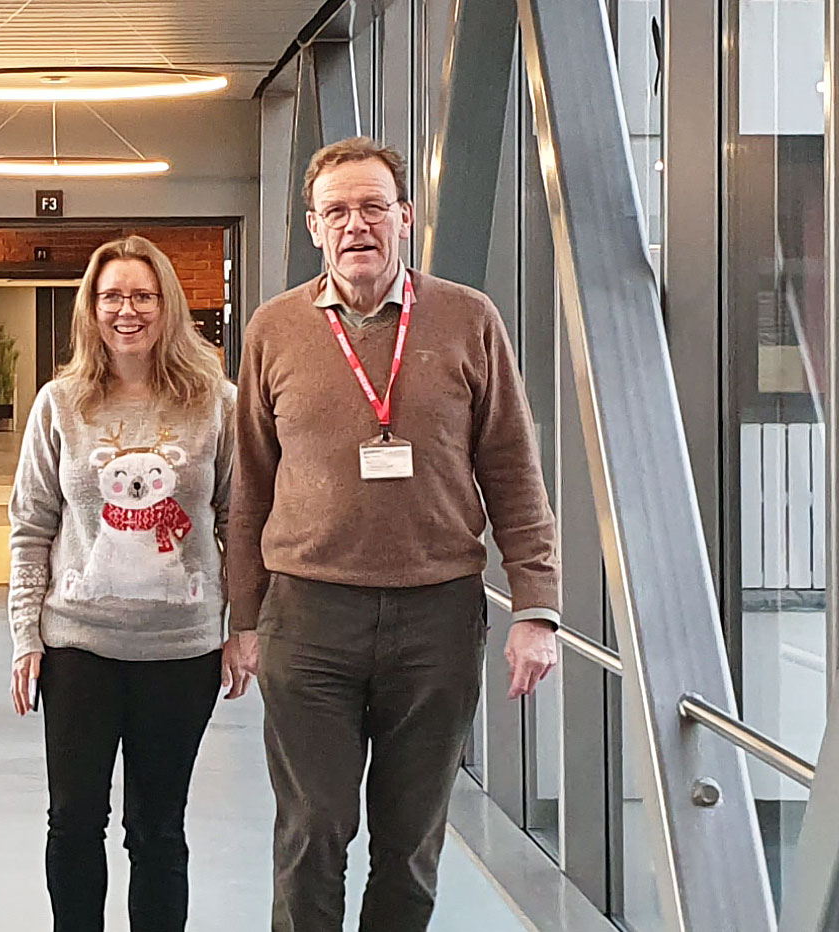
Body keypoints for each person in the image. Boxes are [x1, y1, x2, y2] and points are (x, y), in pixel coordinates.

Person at [229, 137, 562, 931]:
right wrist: (242, 620)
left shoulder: (466, 319)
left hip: (436, 617)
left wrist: (536, 607)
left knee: (409, 843)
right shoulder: (274, 329)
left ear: (404, 218)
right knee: (312, 831)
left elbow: (514, 470)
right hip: (308, 618)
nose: (356, 225)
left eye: (372, 206)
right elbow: (248, 484)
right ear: (314, 226)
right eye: (336, 210)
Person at [8, 235, 252, 932]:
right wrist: (26, 637)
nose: (126, 310)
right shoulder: (61, 404)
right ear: (90, 307)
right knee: (74, 820)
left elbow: (239, 522)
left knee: (158, 828)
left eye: (141, 295)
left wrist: (242, 629)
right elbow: (31, 527)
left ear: (166, 305)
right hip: (79, 647)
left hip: (182, 652)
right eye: (111, 295)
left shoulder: (217, 404)